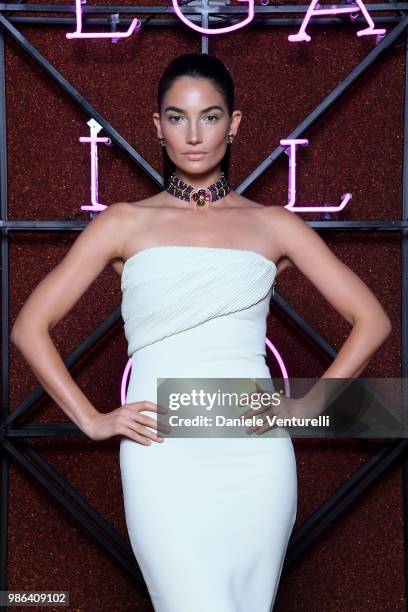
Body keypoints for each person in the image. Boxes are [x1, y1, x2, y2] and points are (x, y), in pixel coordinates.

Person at [11, 52, 392, 612]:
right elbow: (30, 327)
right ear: (157, 126)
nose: (193, 135)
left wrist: (308, 406)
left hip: (254, 456)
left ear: (234, 125)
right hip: (161, 452)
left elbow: (373, 320)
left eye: (210, 117)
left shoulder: (273, 224)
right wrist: (93, 421)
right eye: (177, 117)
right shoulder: (124, 221)